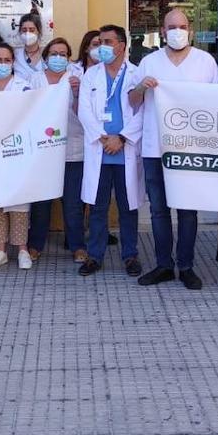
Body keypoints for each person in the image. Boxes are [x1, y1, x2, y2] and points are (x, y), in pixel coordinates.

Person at [129, 9, 218, 290]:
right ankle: (164, 265)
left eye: (182, 26)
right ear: (163, 30)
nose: (177, 31)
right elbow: (132, 102)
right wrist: (141, 88)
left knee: (187, 211)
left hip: (190, 150)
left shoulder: (205, 62)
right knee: (158, 210)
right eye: (172, 26)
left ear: (190, 29)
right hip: (155, 148)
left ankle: (187, 265)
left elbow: (217, 102)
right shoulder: (149, 62)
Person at [78, 24, 144, 277]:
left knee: (128, 207)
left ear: (121, 46)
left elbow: (143, 112)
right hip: (100, 150)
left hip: (125, 151)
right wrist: (103, 138)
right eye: (100, 42)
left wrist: (123, 138)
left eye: (107, 41)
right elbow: (84, 110)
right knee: (97, 208)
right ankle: (94, 256)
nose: (102, 46)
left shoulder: (136, 75)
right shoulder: (91, 75)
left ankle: (130, 255)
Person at [29, 37, 87, 262]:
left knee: (73, 203)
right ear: (45, 58)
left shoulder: (77, 78)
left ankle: (78, 246)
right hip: (43, 151)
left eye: (63, 54)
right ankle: (35, 245)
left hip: (73, 149)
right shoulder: (35, 79)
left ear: (69, 57)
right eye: (54, 54)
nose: (58, 58)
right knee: (41, 202)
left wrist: (78, 93)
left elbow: (87, 113)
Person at [0, 42, 36, 270]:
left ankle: (22, 249)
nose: (2, 64)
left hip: (17, 151)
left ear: (13, 63)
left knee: (20, 202)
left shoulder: (24, 87)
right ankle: (0, 249)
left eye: (7, 60)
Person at [13, 12, 47, 81]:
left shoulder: (47, 53)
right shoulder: (15, 54)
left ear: (39, 31)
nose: (27, 33)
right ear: (20, 32)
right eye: (24, 30)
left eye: (32, 30)